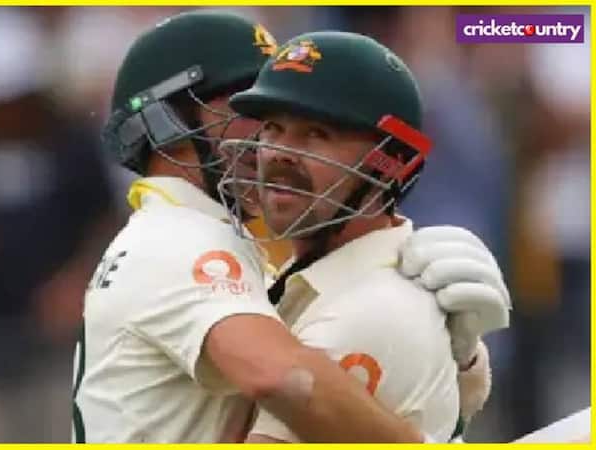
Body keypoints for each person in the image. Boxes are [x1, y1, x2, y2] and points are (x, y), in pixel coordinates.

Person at [73, 11, 510, 443]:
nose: (266, 143)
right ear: (163, 120)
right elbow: (284, 378)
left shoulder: (213, 243)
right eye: (262, 116)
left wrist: (457, 362)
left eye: (315, 131)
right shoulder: (182, 241)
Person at [216, 31, 509, 443]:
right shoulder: (313, 274)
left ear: (389, 164)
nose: (279, 151)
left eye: (316, 133)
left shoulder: (367, 310)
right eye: (273, 128)